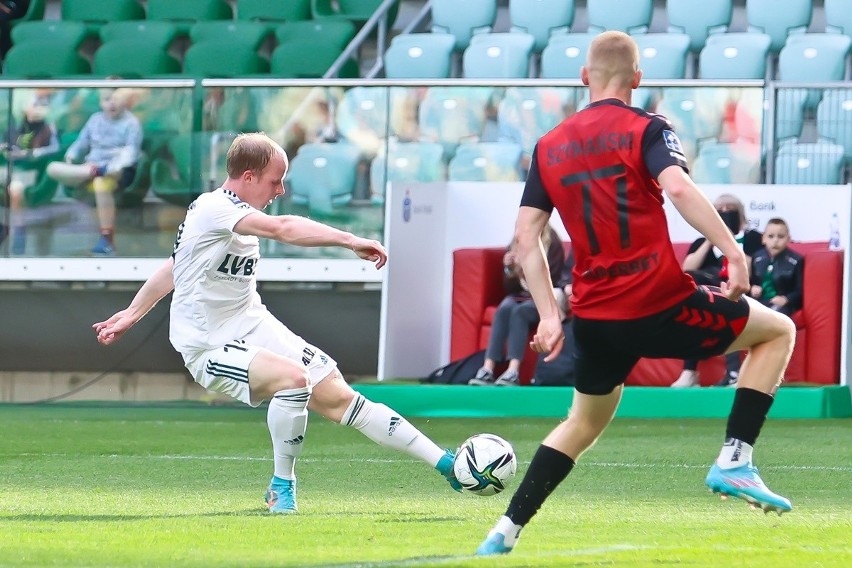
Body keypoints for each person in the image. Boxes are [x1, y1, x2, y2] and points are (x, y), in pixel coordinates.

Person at [476, 31, 796, 556]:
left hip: (596, 317)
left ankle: (502, 534)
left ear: (585, 78)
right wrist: (733, 252)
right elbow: (677, 187)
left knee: (580, 423)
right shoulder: (647, 127)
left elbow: (524, 238)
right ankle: (734, 461)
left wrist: (550, 316)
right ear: (638, 80)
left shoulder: (548, 145)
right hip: (657, 301)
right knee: (778, 331)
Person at [92, 132, 461, 514]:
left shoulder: (231, 215)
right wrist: (350, 240)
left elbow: (175, 267)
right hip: (208, 343)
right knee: (293, 381)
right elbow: (282, 228)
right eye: (275, 179)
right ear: (248, 177)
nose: (281, 189)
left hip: (252, 324)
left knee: (342, 399)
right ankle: (282, 486)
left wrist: (131, 314)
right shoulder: (213, 208)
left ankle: (446, 464)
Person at [671, 193, 763, 388]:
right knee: (693, 305)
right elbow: (688, 268)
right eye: (719, 211)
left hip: (739, 289)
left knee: (726, 306)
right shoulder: (701, 241)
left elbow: (753, 267)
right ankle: (689, 372)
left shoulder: (753, 238)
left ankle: (732, 373)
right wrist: (711, 238)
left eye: (731, 210)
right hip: (708, 292)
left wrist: (731, 242)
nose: (725, 213)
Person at [46, 87, 143, 256]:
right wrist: (71, 156)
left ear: (125, 100)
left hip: (118, 170)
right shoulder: (95, 119)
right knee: (52, 168)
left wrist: (113, 168)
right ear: (100, 102)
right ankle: (93, 171)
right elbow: (81, 143)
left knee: (100, 183)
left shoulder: (132, 122)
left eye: (115, 99)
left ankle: (106, 239)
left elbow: (131, 154)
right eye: (106, 99)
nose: (111, 103)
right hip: (91, 167)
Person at [468, 224, 565, 387]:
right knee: (504, 308)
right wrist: (510, 268)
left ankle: (513, 371)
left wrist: (529, 267)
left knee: (520, 312)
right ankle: (488, 368)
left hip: (543, 297)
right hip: (520, 295)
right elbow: (510, 288)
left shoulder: (552, 242)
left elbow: (553, 280)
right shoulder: (516, 241)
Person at [1, 90, 59, 255]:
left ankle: (18, 233)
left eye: (44, 104)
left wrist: (32, 154)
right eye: (35, 104)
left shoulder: (48, 128)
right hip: (9, 170)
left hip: (33, 173)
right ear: (24, 107)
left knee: (16, 189)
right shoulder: (13, 129)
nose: (39, 108)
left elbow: (55, 149)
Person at [749, 218, 804, 316]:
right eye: (770, 236)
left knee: (772, 316)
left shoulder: (796, 260)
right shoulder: (757, 257)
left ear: (788, 239)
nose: (775, 241)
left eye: (781, 236)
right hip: (760, 302)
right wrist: (753, 288)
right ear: (763, 238)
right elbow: (751, 282)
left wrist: (786, 299)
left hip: (782, 305)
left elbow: (800, 290)